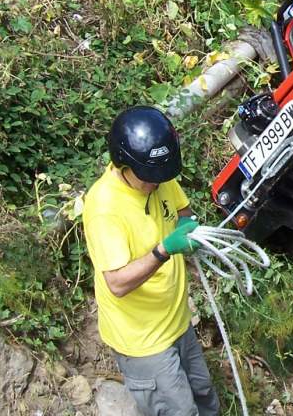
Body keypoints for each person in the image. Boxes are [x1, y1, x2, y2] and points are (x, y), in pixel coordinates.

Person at [83, 106, 219, 416]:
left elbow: (182, 212)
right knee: (179, 412)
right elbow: (116, 283)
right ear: (123, 164)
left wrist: (188, 227)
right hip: (141, 339)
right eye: (149, 178)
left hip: (176, 321)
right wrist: (163, 250)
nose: (156, 184)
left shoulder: (156, 174)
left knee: (204, 395)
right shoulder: (105, 208)